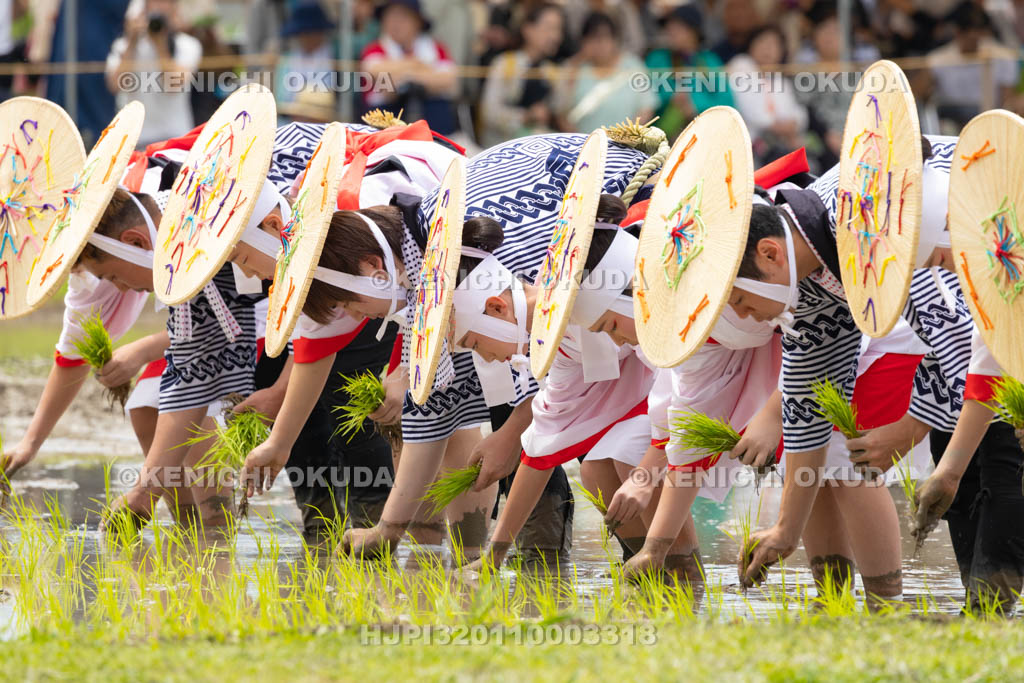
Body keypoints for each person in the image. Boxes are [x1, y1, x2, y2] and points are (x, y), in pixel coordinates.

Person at [239, 131, 658, 559]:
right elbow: (433, 401)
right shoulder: (428, 269)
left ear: (372, 267)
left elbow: (551, 366)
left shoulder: (483, 255)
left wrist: (513, 433)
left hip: (644, 243)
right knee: (589, 459)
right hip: (587, 325)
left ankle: (589, 561)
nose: (359, 318)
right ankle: (637, 564)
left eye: (350, 303)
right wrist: (389, 529)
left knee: (616, 448)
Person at [726, 134, 976, 591]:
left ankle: (892, 610)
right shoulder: (804, 284)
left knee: (988, 457)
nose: (742, 314)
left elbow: (959, 336)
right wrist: (786, 530)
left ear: (769, 253)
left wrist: (910, 428)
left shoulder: (867, 229)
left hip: (989, 206)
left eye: (740, 298)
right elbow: (806, 407)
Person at [105, 0, 203, 146]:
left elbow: (173, 85)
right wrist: (132, 42)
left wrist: (161, 45)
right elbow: (114, 85)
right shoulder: (124, 46)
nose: (159, 7)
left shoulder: (187, 45)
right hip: (134, 139)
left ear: (174, 7)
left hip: (175, 139)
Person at [361, 0, 458, 135]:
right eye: (390, 17)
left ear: (417, 22)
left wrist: (402, 74)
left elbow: (448, 79)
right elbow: (375, 72)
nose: (396, 23)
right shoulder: (375, 48)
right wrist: (417, 65)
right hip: (386, 122)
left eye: (403, 18)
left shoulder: (436, 48)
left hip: (433, 121)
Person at [478, 3, 565, 148]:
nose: (556, 36)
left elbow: (559, 110)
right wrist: (526, 116)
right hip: (502, 147)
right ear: (528, 29)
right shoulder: (505, 64)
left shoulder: (552, 72)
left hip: (539, 147)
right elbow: (489, 112)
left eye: (559, 29)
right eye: (549, 28)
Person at [645, 4, 734, 141]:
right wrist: (671, 97)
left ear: (695, 32)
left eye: (679, 27)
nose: (671, 31)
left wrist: (694, 106)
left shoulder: (709, 61)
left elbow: (727, 103)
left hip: (704, 136)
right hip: (659, 139)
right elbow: (644, 96)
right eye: (669, 27)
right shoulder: (657, 59)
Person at [557, 12, 656, 134]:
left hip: (626, 145)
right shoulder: (574, 67)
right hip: (584, 145)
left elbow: (646, 108)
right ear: (583, 42)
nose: (600, 44)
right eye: (593, 38)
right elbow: (560, 112)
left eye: (605, 37)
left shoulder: (632, 65)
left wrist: (627, 136)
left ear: (615, 40)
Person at [927, 1, 1020, 129]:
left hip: (991, 120)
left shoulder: (1003, 56)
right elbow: (920, 94)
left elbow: (1008, 100)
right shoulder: (938, 59)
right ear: (958, 33)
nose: (974, 38)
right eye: (969, 32)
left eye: (978, 32)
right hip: (950, 122)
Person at [727, 25, 807, 167]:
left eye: (774, 44)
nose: (767, 49)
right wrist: (777, 126)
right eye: (763, 42)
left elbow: (794, 110)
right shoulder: (740, 66)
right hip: (749, 142)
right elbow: (750, 110)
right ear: (751, 45)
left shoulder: (777, 77)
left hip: (779, 141)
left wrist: (794, 123)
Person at [275, 2, 337, 108]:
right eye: (303, 34)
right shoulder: (288, 62)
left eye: (309, 33)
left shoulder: (335, 58)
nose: (305, 39)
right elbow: (282, 98)